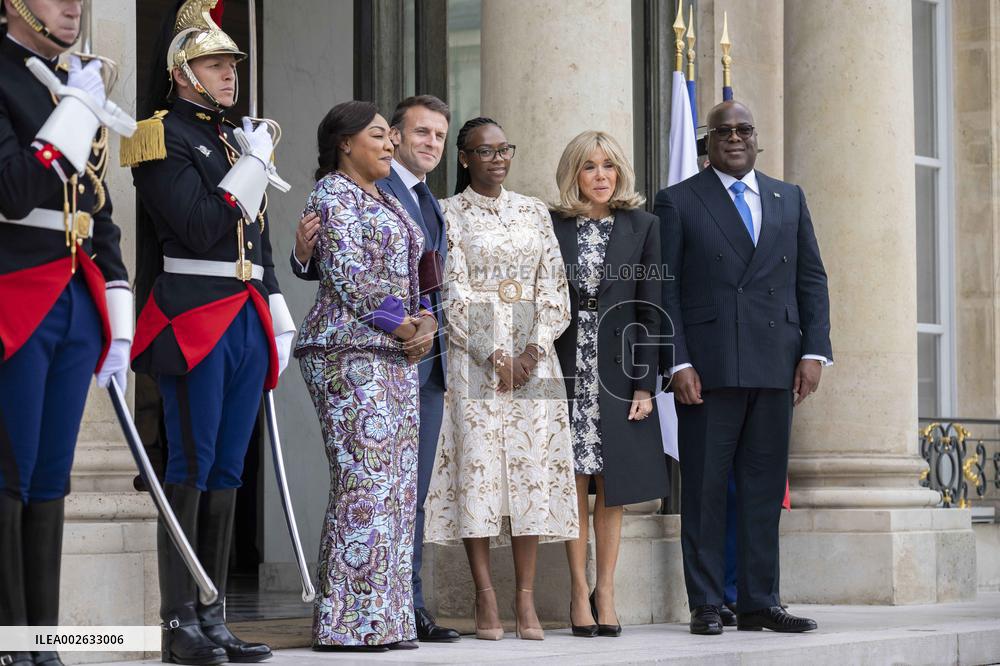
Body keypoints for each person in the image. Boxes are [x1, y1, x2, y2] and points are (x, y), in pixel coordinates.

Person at [124, 1, 295, 662]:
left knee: (228, 469)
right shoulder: (160, 136)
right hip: (195, 313)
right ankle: (177, 623)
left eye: (231, 64)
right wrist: (251, 167)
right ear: (182, 72)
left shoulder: (232, 140)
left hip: (245, 312)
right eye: (215, 64)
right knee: (191, 466)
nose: (229, 74)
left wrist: (275, 302)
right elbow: (197, 227)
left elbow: (258, 238)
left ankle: (212, 615)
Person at [655, 100, 831, 635]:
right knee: (705, 491)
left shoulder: (788, 196)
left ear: (756, 138)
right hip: (707, 369)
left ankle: (758, 602)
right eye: (723, 131)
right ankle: (707, 602)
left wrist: (814, 351)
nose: (734, 138)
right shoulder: (678, 200)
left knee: (762, 490)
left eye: (744, 129)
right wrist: (677, 360)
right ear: (707, 142)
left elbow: (811, 278)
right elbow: (665, 288)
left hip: (776, 364)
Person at [291, 95, 459, 644]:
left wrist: (425, 322)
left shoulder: (386, 198)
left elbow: (419, 270)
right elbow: (350, 275)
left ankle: (387, 619)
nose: (390, 144)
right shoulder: (332, 193)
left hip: (396, 355)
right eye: (379, 135)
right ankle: (345, 624)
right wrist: (407, 328)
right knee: (363, 482)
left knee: (397, 489)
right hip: (347, 352)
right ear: (346, 143)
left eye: (390, 136)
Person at [0, 2, 133, 665]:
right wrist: (76, 112)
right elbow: (13, 189)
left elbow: (96, 207)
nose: (72, 7)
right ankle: (9, 641)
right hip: (15, 289)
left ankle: (43, 643)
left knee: (53, 473)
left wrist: (118, 303)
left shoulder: (69, 79)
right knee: (11, 470)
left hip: (76, 293)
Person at [423, 117, 576, 642]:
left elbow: (554, 286)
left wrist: (531, 351)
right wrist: (495, 354)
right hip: (474, 357)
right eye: (484, 151)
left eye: (503, 149)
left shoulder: (534, 211)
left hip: (536, 356)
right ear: (464, 158)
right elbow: (451, 290)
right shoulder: (447, 212)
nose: (497, 158)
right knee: (479, 470)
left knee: (532, 472)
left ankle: (525, 598)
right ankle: (485, 595)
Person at [550, 130, 668, 638]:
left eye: (609, 166)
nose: (601, 176)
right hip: (564, 363)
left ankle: (607, 592)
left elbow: (651, 306)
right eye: (589, 166)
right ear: (573, 174)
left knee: (612, 486)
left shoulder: (644, 225)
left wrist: (644, 385)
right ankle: (579, 592)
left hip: (620, 369)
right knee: (572, 482)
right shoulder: (552, 225)